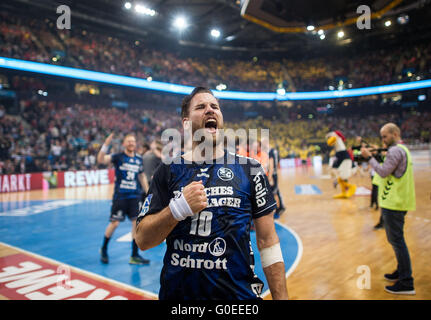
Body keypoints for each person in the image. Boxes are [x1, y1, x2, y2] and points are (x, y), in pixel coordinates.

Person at [135, 87, 289, 300]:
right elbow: (142, 240)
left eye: (214, 106)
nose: (210, 110)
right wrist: (177, 209)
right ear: (186, 122)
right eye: (201, 107)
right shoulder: (168, 170)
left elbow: (268, 241)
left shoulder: (250, 169)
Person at [361, 123, 416, 295]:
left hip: (394, 203)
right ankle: (401, 272)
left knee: (398, 241)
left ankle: (407, 282)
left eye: (385, 137)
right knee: (396, 240)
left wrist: (369, 158)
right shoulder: (402, 150)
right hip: (396, 202)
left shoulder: (395, 151)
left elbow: (383, 172)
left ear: (394, 134)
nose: (383, 141)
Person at [97, 133, 150, 265]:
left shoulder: (139, 158)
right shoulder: (118, 157)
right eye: (128, 141)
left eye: (133, 141)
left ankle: (134, 255)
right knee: (115, 223)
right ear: (124, 144)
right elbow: (101, 160)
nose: (131, 143)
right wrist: (106, 145)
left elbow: (142, 176)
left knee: (135, 225)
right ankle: (103, 249)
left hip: (135, 197)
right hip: (120, 196)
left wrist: (148, 192)